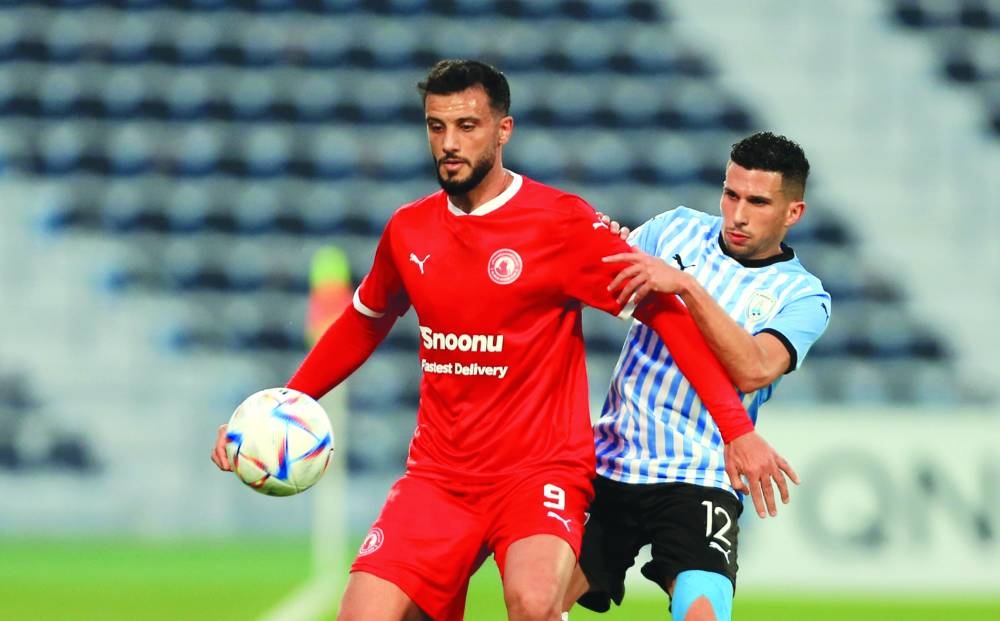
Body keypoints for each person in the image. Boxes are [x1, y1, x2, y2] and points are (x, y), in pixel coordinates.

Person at [211, 61, 790, 621]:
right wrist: (279, 410)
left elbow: (666, 314)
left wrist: (736, 431)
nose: (449, 143)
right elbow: (365, 320)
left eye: (467, 126)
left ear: (502, 130)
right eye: (437, 127)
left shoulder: (561, 223)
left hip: (539, 472)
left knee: (535, 602)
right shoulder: (409, 230)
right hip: (439, 476)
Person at [563, 131, 831, 621]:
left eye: (758, 202)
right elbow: (598, 277)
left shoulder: (803, 296)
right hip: (611, 460)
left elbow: (752, 368)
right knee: (537, 601)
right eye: (731, 194)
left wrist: (685, 286)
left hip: (701, 476)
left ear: (794, 213)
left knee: (702, 614)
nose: (738, 215)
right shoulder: (674, 230)